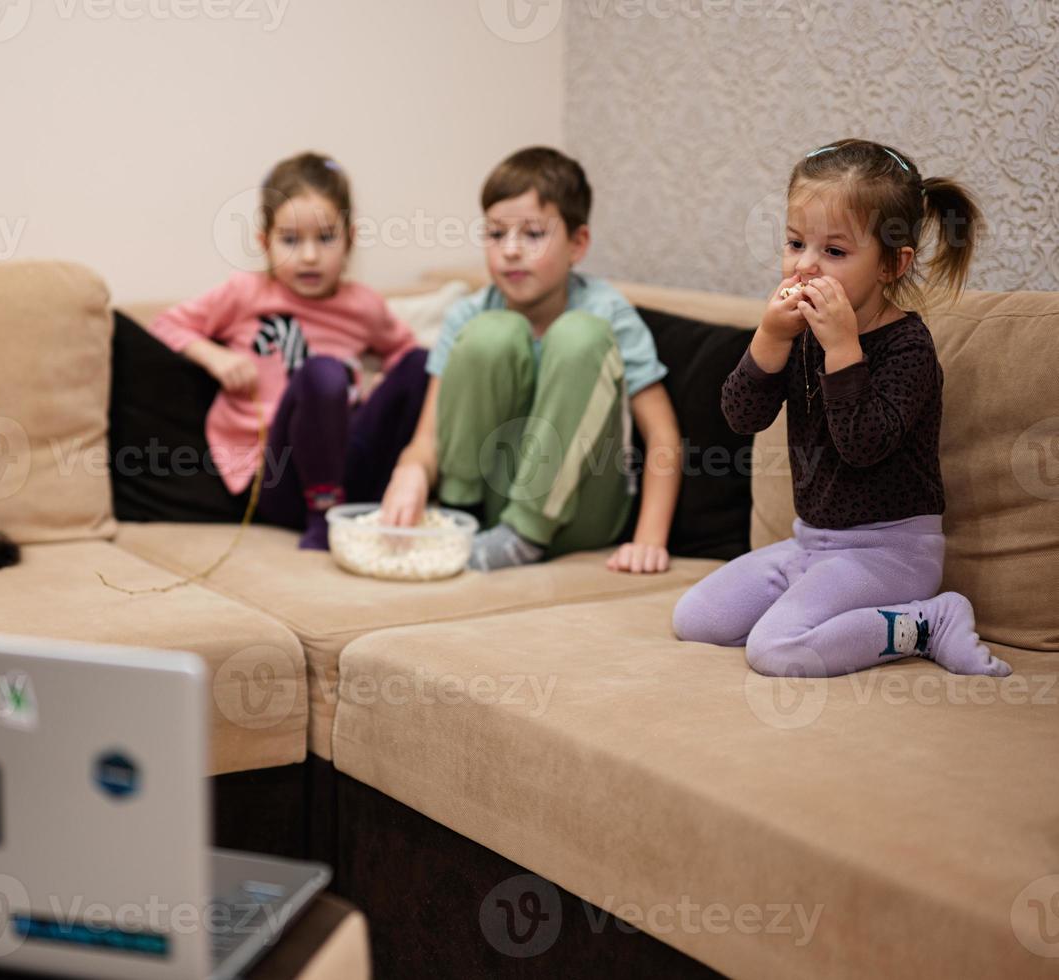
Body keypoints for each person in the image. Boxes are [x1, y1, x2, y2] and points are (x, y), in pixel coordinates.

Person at [672, 138, 1011, 677]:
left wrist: (842, 350)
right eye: (794, 242)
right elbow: (742, 417)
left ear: (891, 265)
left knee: (775, 651)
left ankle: (928, 622)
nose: (805, 266)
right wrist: (768, 338)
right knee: (696, 619)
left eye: (834, 251)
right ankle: (824, 607)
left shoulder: (908, 347)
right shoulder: (800, 333)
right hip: (812, 544)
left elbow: (863, 444)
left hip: (891, 554)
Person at [379, 146, 682, 574]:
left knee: (580, 334)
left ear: (578, 243)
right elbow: (428, 437)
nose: (511, 250)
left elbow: (663, 435)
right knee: (492, 334)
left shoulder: (607, 311)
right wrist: (409, 473)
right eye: (496, 234)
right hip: (486, 512)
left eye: (533, 234)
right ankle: (460, 510)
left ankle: (526, 533)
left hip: (584, 512)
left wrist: (649, 540)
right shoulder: (469, 314)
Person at [148, 152, 426, 549]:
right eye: (291, 240)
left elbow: (404, 353)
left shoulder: (363, 305)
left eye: (326, 238)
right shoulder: (246, 293)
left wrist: (378, 384)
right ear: (265, 242)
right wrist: (218, 357)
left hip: (348, 465)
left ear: (350, 239)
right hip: (277, 478)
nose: (309, 256)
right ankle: (322, 517)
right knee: (321, 373)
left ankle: (369, 503)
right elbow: (166, 324)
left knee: (424, 363)